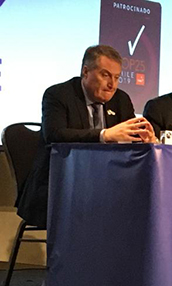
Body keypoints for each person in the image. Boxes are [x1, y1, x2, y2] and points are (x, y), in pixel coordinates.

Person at [17, 45, 156, 228]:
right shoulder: (58, 94)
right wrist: (104, 135)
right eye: (105, 75)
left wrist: (147, 140)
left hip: (107, 184)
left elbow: (132, 135)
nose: (112, 85)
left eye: (116, 78)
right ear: (85, 71)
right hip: (61, 183)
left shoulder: (121, 99)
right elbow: (54, 134)